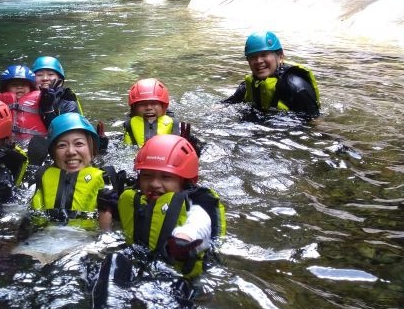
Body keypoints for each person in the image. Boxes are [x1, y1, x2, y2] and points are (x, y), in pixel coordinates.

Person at [112, 134, 226, 279]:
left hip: (180, 280)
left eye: (166, 177)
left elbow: (196, 227)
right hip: (141, 267)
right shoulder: (136, 202)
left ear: (184, 182)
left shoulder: (196, 211)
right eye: (147, 176)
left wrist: (181, 240)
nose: (154, 184)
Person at [30, 113, 122, 231]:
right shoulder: (42, 176)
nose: (71, 152)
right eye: (62, 145)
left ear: (92, 150)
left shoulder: (105, 179)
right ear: (53, 153)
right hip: (42, 238)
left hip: (87, 241)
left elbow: (107, 232)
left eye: (79, 143)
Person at [223, 30, 320, 118]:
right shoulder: (248, 86)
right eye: (252, 57)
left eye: (264, 54)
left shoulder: (296, 87)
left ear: (280, 56)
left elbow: (314, 123)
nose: (258, 61)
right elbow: (227, 104)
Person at [0, 64, 48, 145]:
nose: (19, 87)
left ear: (31, 87)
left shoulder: (41, 99)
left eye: (24, 84)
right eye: (14, 85)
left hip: (35, 143)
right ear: (6, 88)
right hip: (9, 143)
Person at [30, 56, 82, 126]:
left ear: (59, 78)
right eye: (39, 75)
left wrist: (48, 108)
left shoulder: (67, 98)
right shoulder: (25, 93)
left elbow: (68, 131)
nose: (45, 78)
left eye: (50, 74)